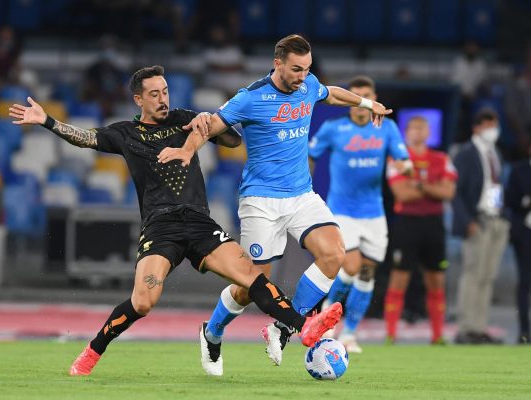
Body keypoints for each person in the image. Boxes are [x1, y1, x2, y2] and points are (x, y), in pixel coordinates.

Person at [8, 65, 342, 376]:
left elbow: (233, 140)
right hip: (160, 228)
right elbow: (86, 138)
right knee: (143, 302)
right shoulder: (126, 133)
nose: (163, 98)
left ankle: (303, 327)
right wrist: (47, 121)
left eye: (165, 91)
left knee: (251, 278)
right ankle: (93, 351)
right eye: (154, 94)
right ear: (138, 99)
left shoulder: (185, 119)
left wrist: (207, 124)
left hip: (199, 224)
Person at [158, 34, 393, 375]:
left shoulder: (308, 85)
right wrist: (187, 149)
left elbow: (332, 93)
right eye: (296, 69)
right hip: (261, 202)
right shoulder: (250, 98)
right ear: (278, 63)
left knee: (334, 254)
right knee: (251, 287)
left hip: (301, 196)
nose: (302, 76)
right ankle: (212, 331)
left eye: (307, 69)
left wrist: (368, 105)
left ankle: (283, 327)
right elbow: (210, 126)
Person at [308, 76, 411, 354]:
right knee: (351, 266)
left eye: (366, 95)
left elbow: (403, 161)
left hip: (374, 213)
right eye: (355, 97)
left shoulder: (387, 128)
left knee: (366, 273)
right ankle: (327, 317)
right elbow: (311, 154)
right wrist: (305, 184)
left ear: (374, 97)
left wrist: (405, 169)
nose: (360, 104)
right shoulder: (333, 128)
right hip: (342, 211)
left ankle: (350, 333)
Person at [384, 116, 457, 345]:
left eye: (422, 128)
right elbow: (402, 194)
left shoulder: (441, 158)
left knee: (436, 279)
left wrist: (418, 184)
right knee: (399, 278)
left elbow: (449, 193)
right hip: (407, 223)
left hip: (433, 224)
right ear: (407, 132)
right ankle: (391, 334)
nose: (418, 132)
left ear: (428, 132)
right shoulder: (398, 158)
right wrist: (432, 188)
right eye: (414, 128)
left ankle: (437, 335)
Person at [452, 108, 509, 344]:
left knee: (487, 276)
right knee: (473, 274)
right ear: (476, 127)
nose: (492, 131)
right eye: (487, 126)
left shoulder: (494, 152)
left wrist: (500, 214)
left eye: (494, 125)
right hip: (477, 220)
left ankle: (479, 326)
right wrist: (467, 221)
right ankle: (466, 328)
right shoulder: (466, 153)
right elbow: (456, 191)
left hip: (494, 218)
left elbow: (494, 186)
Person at [505, 142, 531, 344]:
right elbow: (509, 201)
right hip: (525, 233)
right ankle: (524, 331)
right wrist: (525, 201)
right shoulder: (519, 170)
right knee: (525, 282)